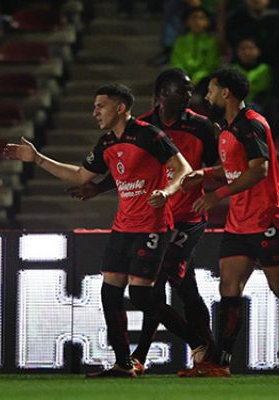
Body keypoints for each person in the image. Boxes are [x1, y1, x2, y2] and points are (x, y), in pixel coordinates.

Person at [3, 83, 208, 378]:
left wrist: (167, 191)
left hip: (153, 226)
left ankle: (198, 341)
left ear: (121, 107)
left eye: (101, 105)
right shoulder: (106, 144)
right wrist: (37, 159)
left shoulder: (149, 134)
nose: (95, 111)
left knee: (141, 296)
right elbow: (80, 175)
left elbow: (183, 168)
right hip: (122, 227)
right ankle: (123, 364)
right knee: (109, 294)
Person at [177, 68, 279, 377]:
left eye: (211, 90)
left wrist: (216, 195)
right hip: (240, 222)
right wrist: (206, 174)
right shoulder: (227, 129)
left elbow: (258, 169)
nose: (207, 96)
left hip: (267, 218)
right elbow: (234, 167)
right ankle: (220, 364)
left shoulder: (251, 124)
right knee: (229, 288)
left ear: (226, 93)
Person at [67, 69, 218, 374]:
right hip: (148, 216)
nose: (189, 97)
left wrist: (210, 187)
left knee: (162, 285)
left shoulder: (202, 127)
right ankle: (165, 354)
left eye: (189, 92)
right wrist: (98, 187)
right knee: (162, 286)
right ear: (161, 93)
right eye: (181, 90)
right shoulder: (142, 126)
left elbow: (218, 166)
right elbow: (126, 167)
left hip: (186, 217)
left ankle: (192, 351)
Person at [169, 7, 220, 85]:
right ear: (187, 21)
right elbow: (176, 62)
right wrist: (185, 77)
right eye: (193, 18)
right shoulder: (180, 42)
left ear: (207, 22)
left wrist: (197, 77)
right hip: (182, 79)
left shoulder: (211, 42)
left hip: (204, 80)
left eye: (201, 18)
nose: (197, 21)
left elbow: (210, 65)